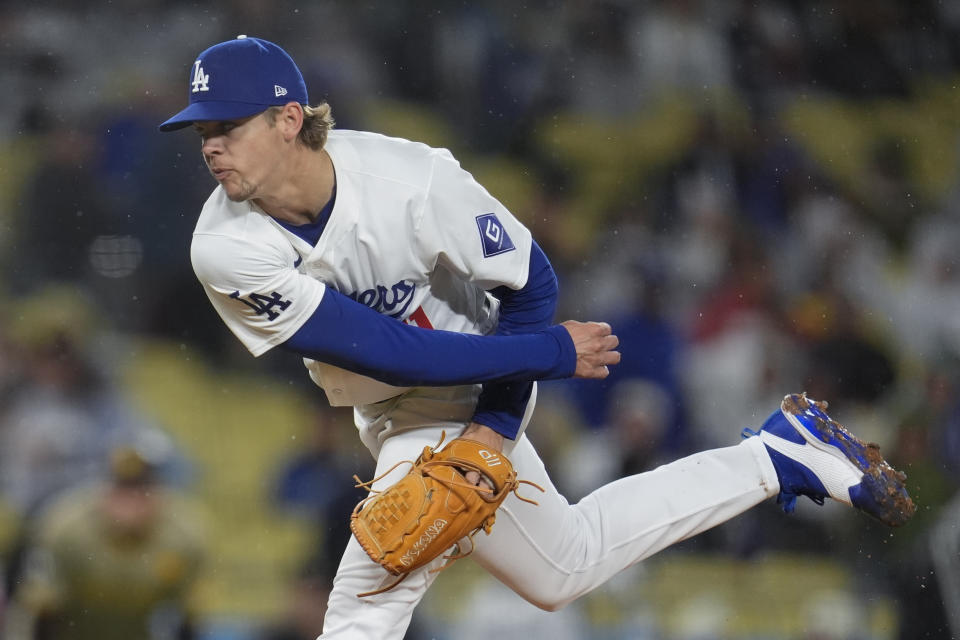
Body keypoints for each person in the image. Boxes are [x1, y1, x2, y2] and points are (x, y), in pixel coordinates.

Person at [158, 36, 914, 639]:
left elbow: (532, 283)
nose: (209, 145)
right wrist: (549, 356)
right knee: (563, 567)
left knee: (366, 602)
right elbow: (387, 352)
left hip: (483, 379)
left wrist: (492, 420)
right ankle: (773, 457)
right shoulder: (225, 246)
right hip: (408, 399)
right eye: (201, 130)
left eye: (226, 125)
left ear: (289, 119)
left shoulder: (411, 179)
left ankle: (773, 456)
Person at [3, 445, 206, 640]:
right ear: (103, 491)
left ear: (160, 494)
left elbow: (193, 615)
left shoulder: (183, 536)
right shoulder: (67, 528)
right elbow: (39, 609)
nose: (130, 505)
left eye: (140, 492)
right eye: (121, 491)